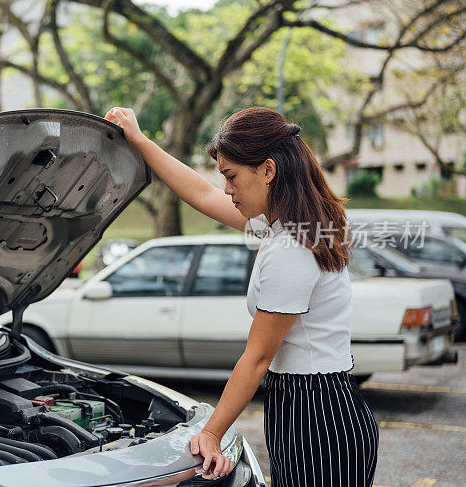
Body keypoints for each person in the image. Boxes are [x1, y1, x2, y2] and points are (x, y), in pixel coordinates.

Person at [104, 106, 379, 486]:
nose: (226, 189)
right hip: (306, 403)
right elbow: (201, 193)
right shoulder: (287, 225)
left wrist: (212, 433)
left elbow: (258, 357)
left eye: (232, 177)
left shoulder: (292, 247)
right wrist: (139, 139)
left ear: (268, 170)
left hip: (316, 413)